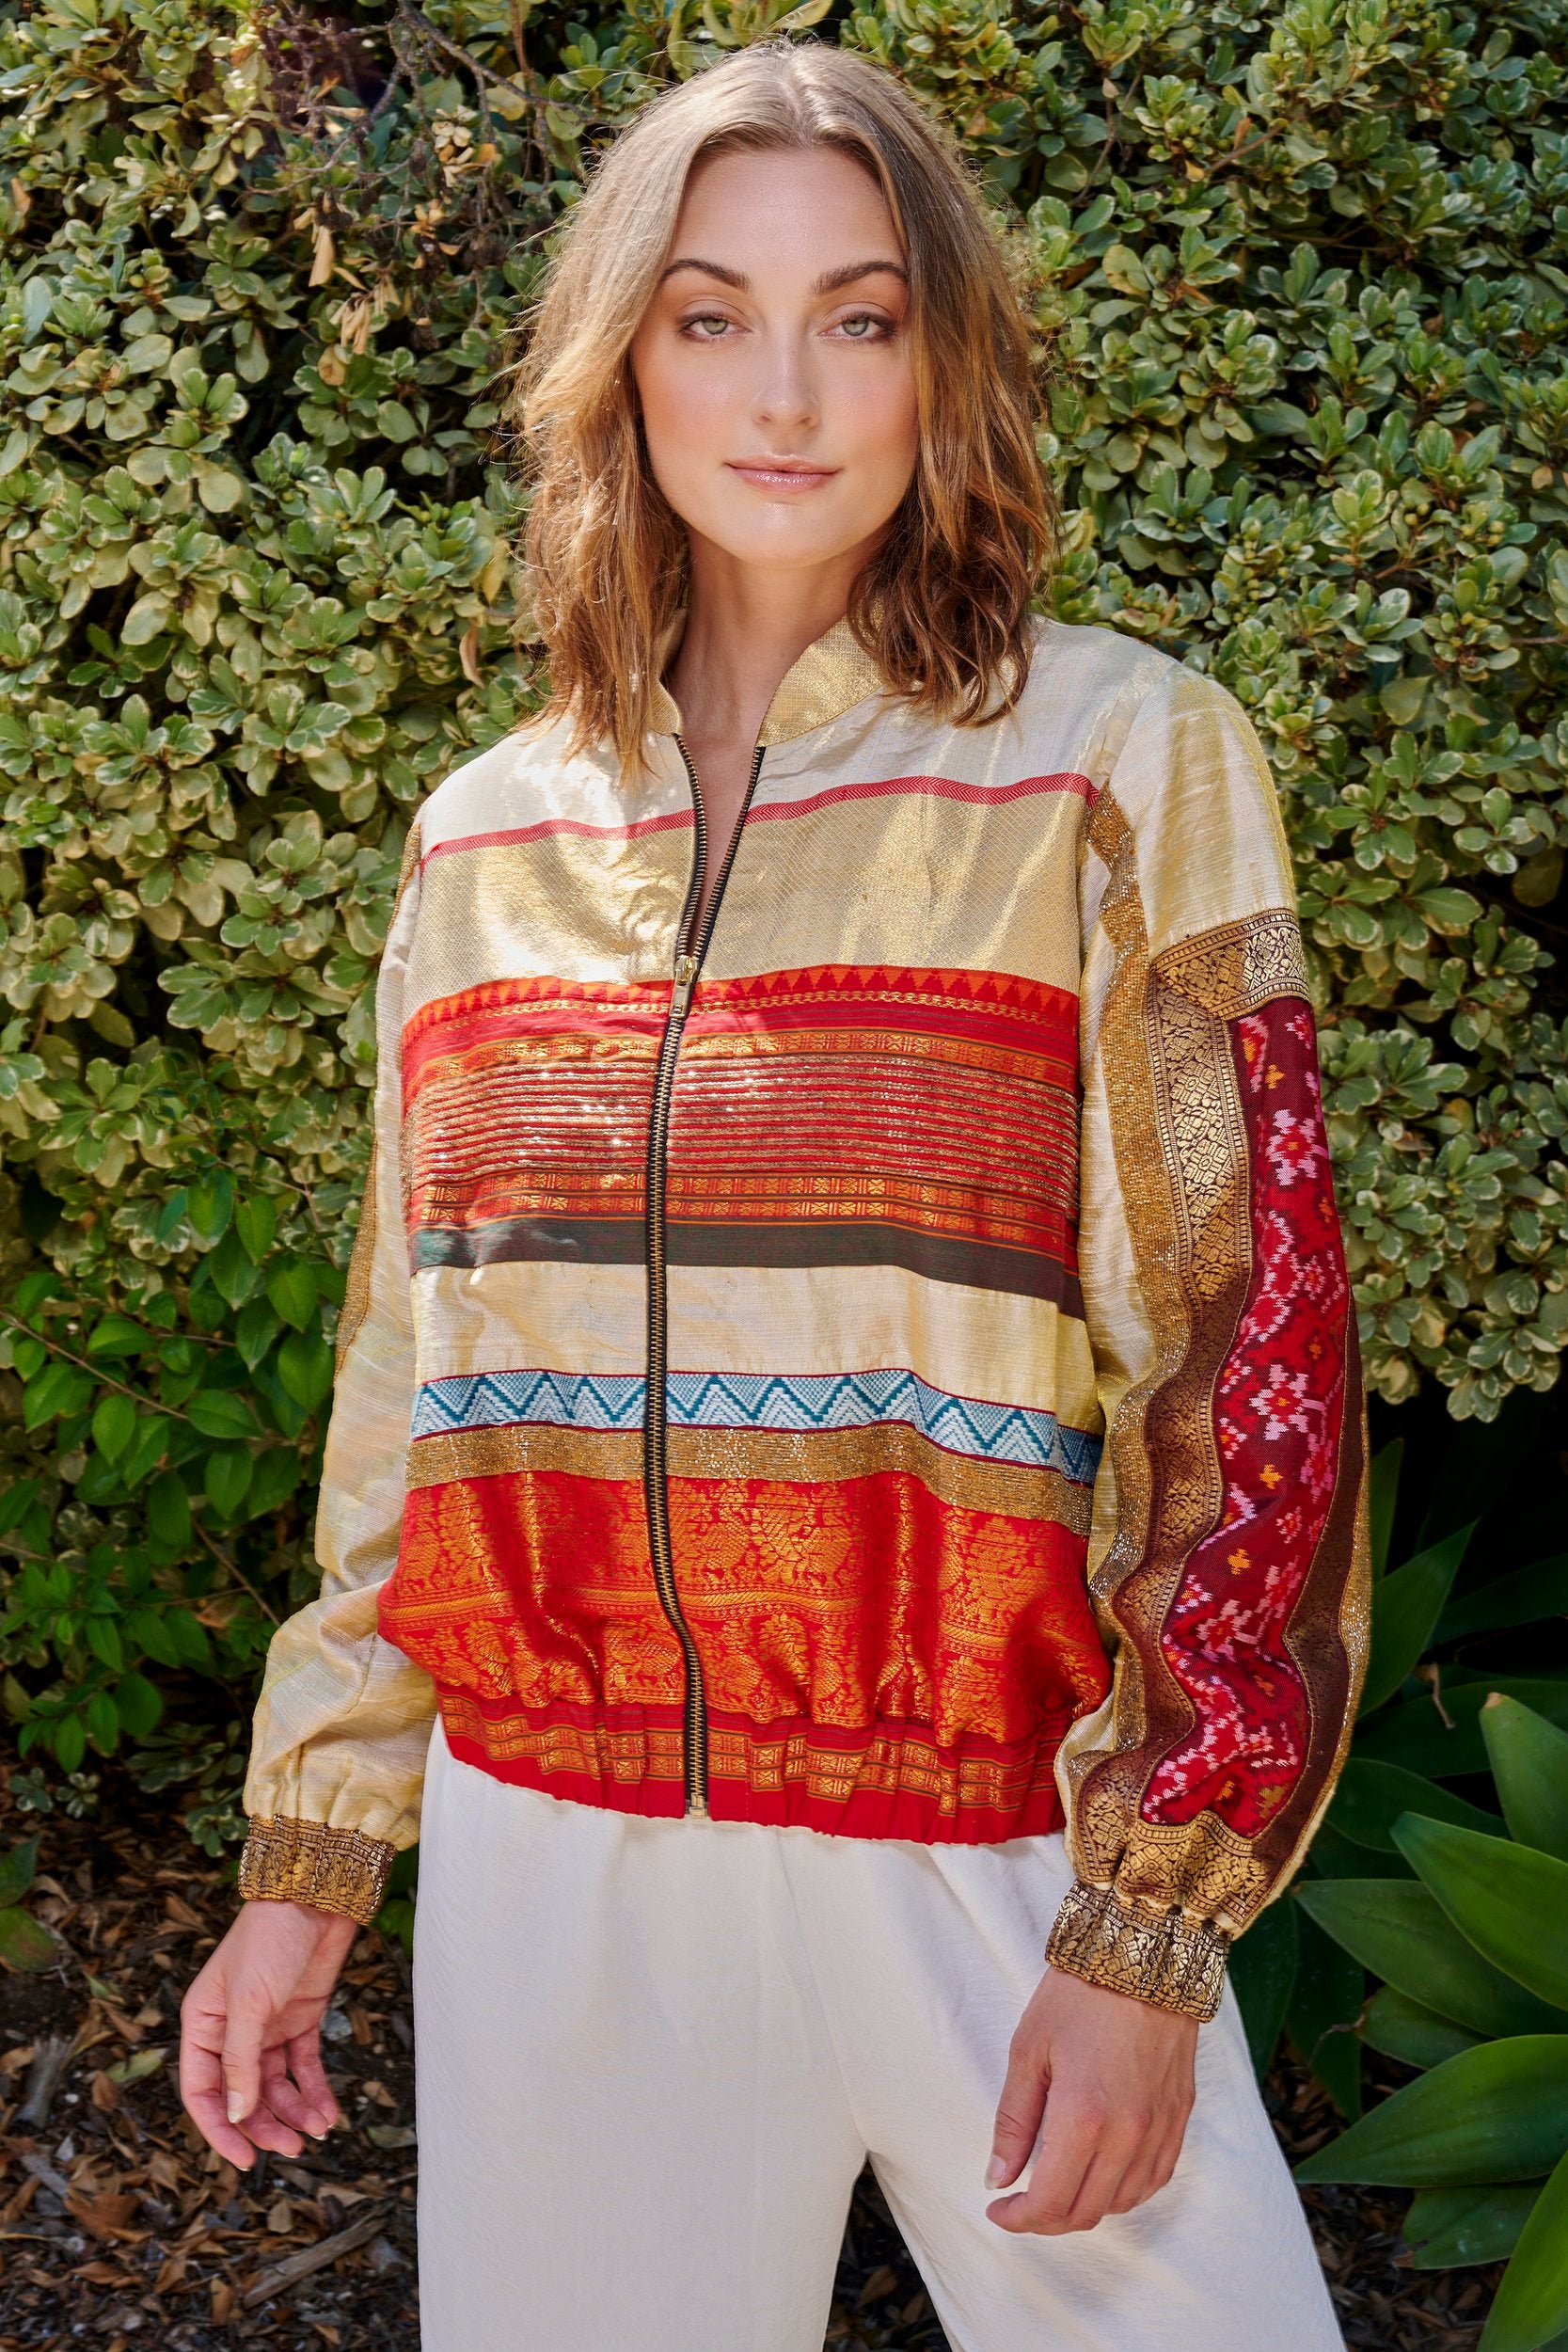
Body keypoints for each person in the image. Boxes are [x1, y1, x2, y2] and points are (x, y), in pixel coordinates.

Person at [180, 36, 1368, 2352]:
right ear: (621, 359)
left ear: (949, 356)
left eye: (863, 313)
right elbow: (414, 1376)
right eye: (713, 311)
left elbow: (1255, 1360)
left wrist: (1149, 1928)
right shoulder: (484, 835)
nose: (788, 388)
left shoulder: (1116, 758)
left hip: (988, 1844)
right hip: (564, 1859)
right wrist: (313, 1851)